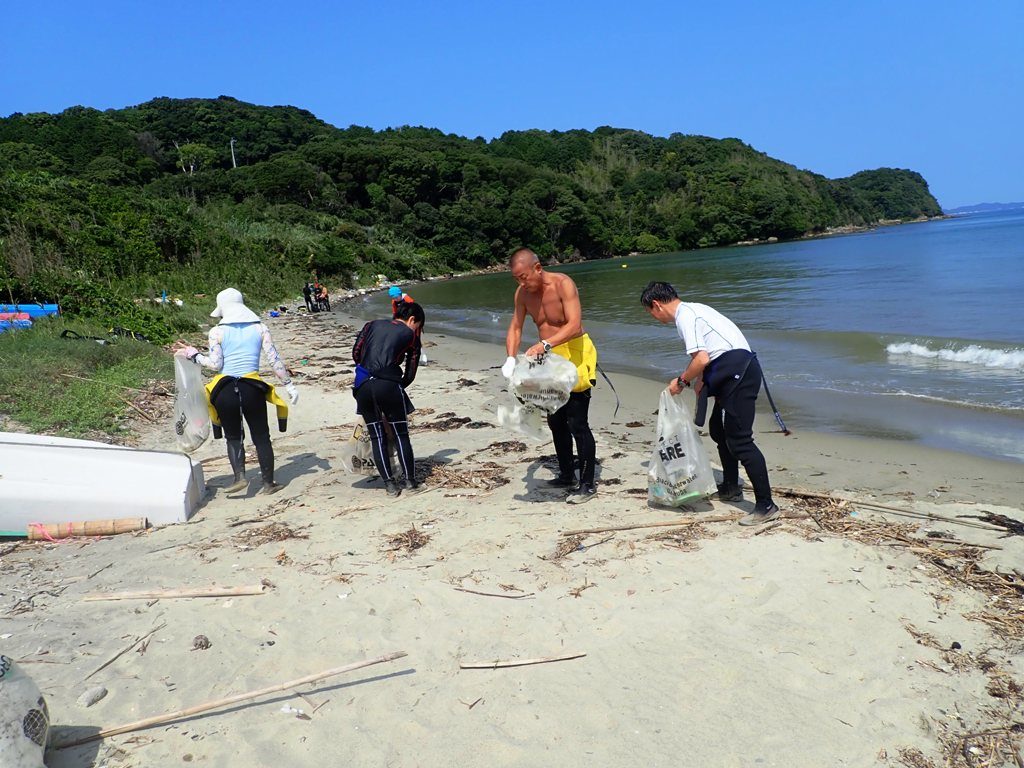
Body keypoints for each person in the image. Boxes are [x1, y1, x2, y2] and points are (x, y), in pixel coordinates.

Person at [640, 280, 779, 526]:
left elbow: (701, 358)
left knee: (740, 440)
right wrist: (701, 381)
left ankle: (766, 505)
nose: (653, 318)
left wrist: (681, 381)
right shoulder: (695, 309)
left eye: (650, 313)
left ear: (656, 304)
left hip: (739, 371)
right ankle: (731, 487)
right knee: (718, 430)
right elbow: (710, 352)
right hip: (733, 369)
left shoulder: (685, 317)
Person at [174, 288, 299, 495]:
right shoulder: (261, 328)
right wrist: (289, 385)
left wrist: (194, 355)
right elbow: (274, 360)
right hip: (252, 388)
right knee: (261, 437)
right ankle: (268, 484)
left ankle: (240, 477)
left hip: (224, 391)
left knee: (233, 437)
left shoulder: (217, 332)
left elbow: (215, 365)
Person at [503, 248, 598, 504]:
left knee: (577, 421)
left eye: (524, 276)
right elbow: (516, 326)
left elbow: (574, 324)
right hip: (549, 356)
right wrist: (511, 358)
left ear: (537, 268)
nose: (522, 283)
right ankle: (567, 474)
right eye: (517, 279)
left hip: (575, 352)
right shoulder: (522, 294)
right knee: (556, 419)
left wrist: (544, 344)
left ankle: (587, 484)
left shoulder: (563, 284)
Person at [351, 301, 425, 497]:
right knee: (401, 434)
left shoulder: (371, 325)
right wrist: (399, 385)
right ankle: (410, 481)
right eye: (418, 326)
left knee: (377, 436)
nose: (417, 330)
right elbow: (411, 370)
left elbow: (356, 353)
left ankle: (390, 486)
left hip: (363, 385)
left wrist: (369, 373)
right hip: (389, 386)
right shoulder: (411, 337)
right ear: (412, 320)